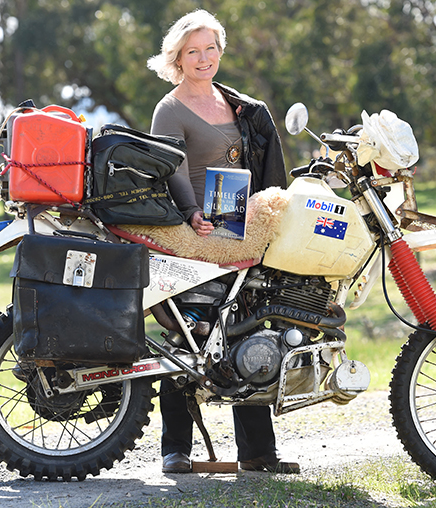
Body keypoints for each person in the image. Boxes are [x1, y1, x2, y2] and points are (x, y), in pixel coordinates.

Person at [147, 9, 296, 475]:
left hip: (239, 227)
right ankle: (175, 449)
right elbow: (169, 167)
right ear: (177, 58)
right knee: (187, 334)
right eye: (193, 51)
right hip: (195, 231)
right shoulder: (169, 109)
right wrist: (192, 214)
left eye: (211, 48)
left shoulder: (239, 104)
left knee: (247, 326)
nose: (204, 57)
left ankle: (257, 454)